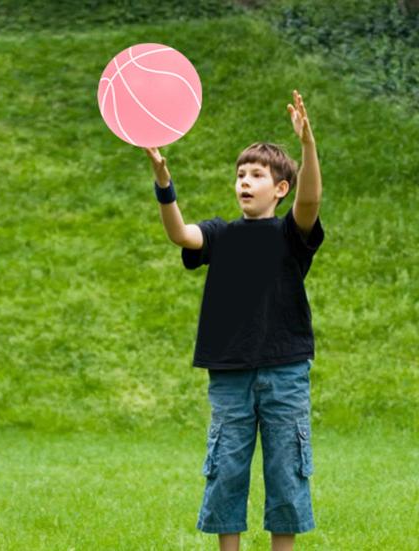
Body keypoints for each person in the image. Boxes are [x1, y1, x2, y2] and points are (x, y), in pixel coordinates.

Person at [144, 90, 324, 551]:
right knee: (226, 470)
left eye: (257, 175)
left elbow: (310, 200)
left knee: (286, 471)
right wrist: (164, 182)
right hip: (229, 374)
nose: (245, 181)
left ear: (280, 189)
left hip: (285, 373)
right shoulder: (220, 234)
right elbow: (179, 234)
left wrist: (307, 145)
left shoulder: (291, 233)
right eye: (240, 174)